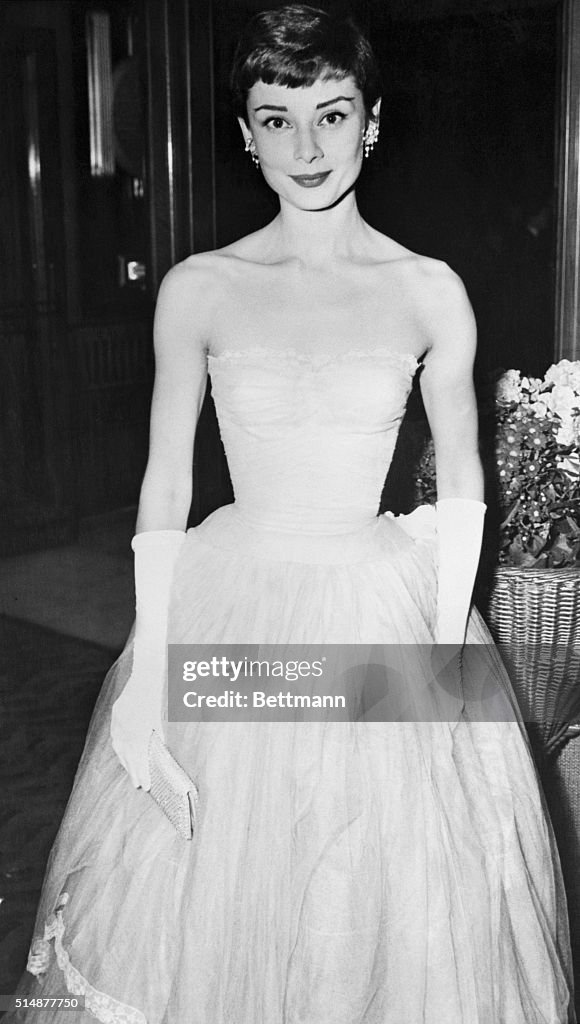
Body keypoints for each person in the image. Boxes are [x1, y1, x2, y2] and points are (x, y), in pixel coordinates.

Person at [8, 5, 575, 1022]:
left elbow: (462, 481)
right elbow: (168, 487)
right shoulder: (200, 288)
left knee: (377, 883)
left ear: (371, 121)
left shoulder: (428, 290)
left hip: (380, 608)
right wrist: (145, 677)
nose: (306, 147)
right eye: (276, 119)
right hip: (236, 604)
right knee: (230, 877)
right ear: (243, 134)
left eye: (330, 114)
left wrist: (444, 651)